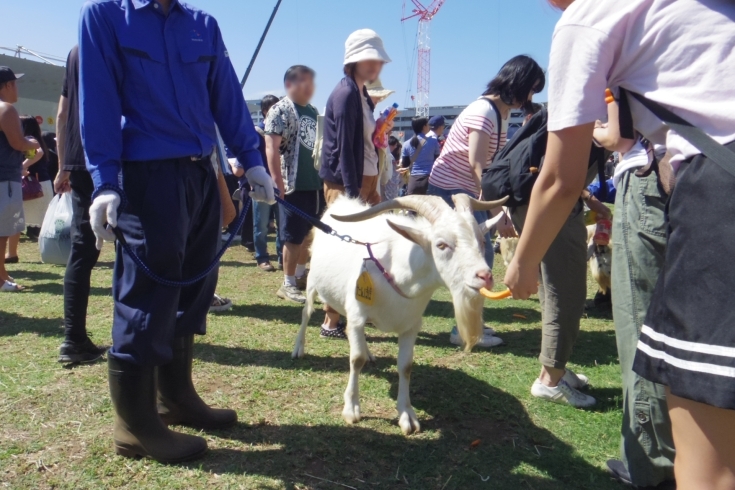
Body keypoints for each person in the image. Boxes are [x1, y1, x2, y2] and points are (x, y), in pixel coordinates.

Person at [506, 1, 735, 488]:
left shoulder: (589, 16)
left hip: (720, 194)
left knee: (709, 462)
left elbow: (559, 180)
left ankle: (649, 465)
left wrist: (523, 263)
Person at [79, 0, 275, 464]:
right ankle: (135, 425)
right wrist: (105, 182)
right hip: (146, 178)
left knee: (195, 285)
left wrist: (251, 159)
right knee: (148, 293)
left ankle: (176, 396)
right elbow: (99, 100)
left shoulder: (203, 25)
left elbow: (225, 95)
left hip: (202, 174)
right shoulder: (106, 17)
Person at [428, 55, 545, 349]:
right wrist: (496, 211)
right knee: (476, 260)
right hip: (452, 190)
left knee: (481, 258)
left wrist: (497, 208)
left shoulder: (499, 112)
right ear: (517, 84)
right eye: (531, 89)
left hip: (464, 191)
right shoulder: (485, 111)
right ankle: (463, 330)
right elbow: (477, 165)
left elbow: (489, 167)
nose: (530, 98)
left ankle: (471, 323)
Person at [593, 98, 675, 486]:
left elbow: (617, 135)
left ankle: (651, 464)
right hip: (709, 174)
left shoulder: (627, 42)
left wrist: (591, 129)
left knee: (643, 327)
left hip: (651, 177)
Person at [319, 28, 393, 338]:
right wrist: (351, 197)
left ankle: (353, 316)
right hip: (348, 182)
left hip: (366, 180)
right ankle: (330, 321)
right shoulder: (347, 93)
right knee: (344, 250)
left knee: (365, 251)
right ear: (354, 60)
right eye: (369, 59)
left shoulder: (360, 93)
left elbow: (360, 144)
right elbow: (345, 151)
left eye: (378, 60)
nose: (375, 65)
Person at [52, 45, 108, 363]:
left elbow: (62, 112)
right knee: (134, 245)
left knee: (82, 249)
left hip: (78, 160)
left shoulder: (75, 51)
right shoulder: (120, 36)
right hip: (113, 158)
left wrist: (63, 165)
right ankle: (136, 335)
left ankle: (73, 339)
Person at [264, 66, 322, 304]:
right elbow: (271, 147)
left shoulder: (313, 110)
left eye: (311, 82)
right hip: (292, 184)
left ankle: (300, 275)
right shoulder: (280, 110)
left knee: (309, 234)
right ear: (290, 84)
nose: (309, 87)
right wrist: (277, 181)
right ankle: (287, 283)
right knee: (292, 236)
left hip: (314, 184)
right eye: (303, 82)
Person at [0, 67, 39, 292]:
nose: (17, 88)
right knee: (3, 231)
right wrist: (31, 143)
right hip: (5, 178)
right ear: (7, 85)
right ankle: (1, 278)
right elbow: (17, 143)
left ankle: (2, 274)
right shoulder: (6, 109)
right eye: (15, 83)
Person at [250, 94, 281, 272]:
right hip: (262, 183)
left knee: (282, 224)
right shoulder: (256, 132)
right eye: (273, 108)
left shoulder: (282, 129)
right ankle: (262, 257)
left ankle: (282, 257)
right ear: (264, 111)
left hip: (280, 183)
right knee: (261, 224)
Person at [400, 116, 440, 195]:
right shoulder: (434, 141)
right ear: (424, 126)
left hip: (414, 181)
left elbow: (405, 164)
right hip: (430, 180)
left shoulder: (406, 144)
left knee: (412, 206)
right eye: (428, 124)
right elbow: (437, 160)